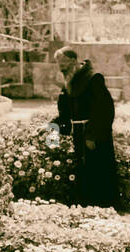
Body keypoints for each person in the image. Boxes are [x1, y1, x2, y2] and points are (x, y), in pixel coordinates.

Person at [51, 47, 122, 210]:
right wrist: (50, 132)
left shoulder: (93, 79)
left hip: (95, 135)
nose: (62, 70)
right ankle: (86, 207)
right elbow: (64, 114)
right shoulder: (69, 82)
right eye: (59, 66)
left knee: (99, 170)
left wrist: (92, 135)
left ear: (73, 61)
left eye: (64, 66)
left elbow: (105, 111)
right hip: (78, 134)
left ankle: (105, 207)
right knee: (83, 172)